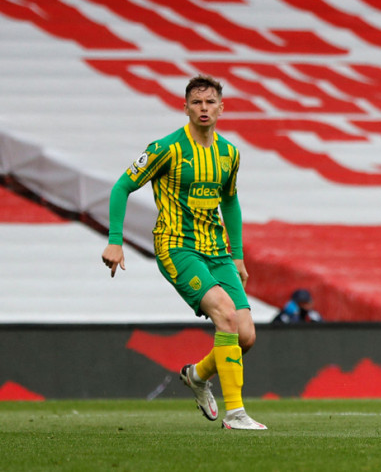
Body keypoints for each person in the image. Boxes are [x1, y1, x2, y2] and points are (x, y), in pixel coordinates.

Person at [101, 75, 266, 431]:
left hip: (217, 251)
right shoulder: (166, 148)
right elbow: (121, 186)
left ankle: (197, 375)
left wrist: (237, 255)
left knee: (246, 335)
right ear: (186, 107)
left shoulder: (229, 153)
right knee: (225, 314)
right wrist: (116, 239)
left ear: (222, 108)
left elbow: (231, 201)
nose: (203, 109)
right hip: (177, 246)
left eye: (210, 103)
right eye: (196, 103)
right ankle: (235, 414)